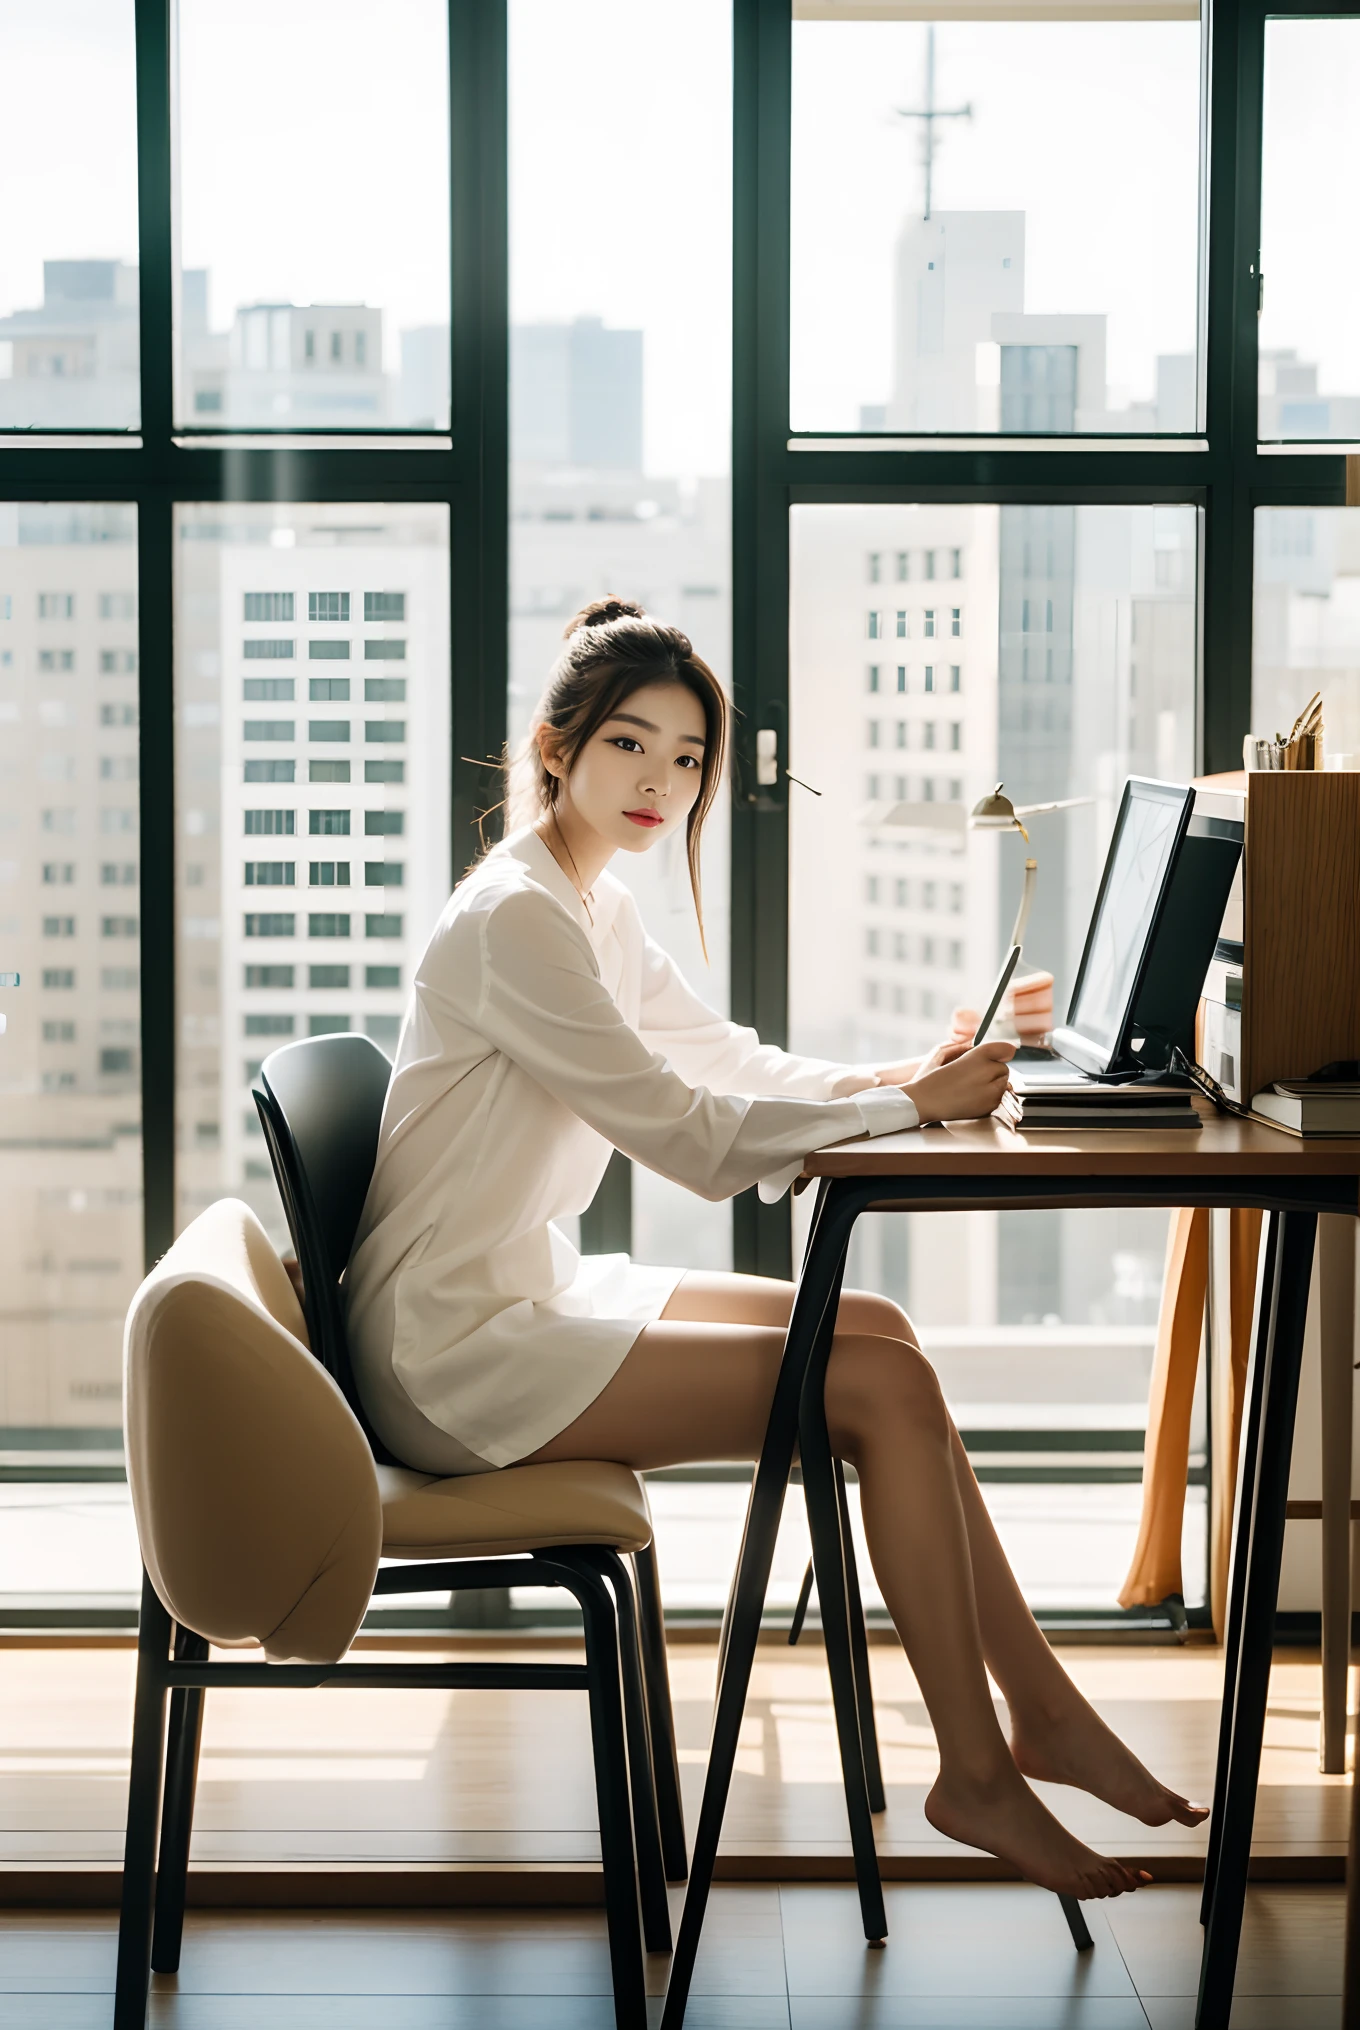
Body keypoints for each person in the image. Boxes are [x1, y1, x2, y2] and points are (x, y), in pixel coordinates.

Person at [346, 595, 1207, 1901]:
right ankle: (978, 1774)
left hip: (518, 1297)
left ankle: (1036, 1713)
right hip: (452, 1356)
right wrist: (911, 1106)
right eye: (631, 746)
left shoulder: (588, 905)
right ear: (556, 746)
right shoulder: (514, 918)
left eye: (686, 758)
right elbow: (690, 1140)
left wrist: (904, 1074)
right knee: (877, 1384)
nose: (660, 782)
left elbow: (727, 1065)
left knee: (884, 1338)